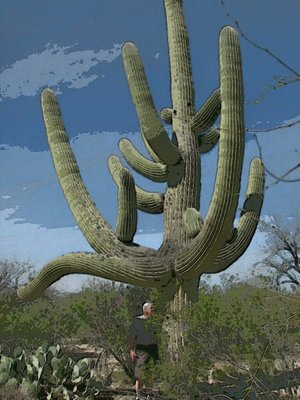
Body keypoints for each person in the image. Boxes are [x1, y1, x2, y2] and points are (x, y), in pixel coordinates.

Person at [129, 302, 159, 400]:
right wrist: (131, 350)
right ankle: (139, 396)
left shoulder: (154, 321)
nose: (153, 310)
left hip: (152, 349)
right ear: (146, 310)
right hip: (141, 350)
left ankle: (149, 395)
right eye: (151, 308)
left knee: (150, 374)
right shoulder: (137, 321)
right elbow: (133, 336)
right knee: (140, 375)